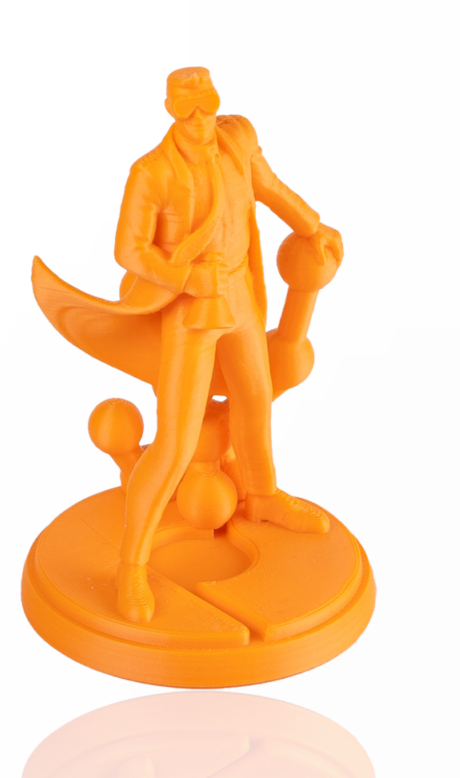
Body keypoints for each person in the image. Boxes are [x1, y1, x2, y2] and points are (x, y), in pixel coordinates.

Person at [111, 67, 344, 622]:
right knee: (174, 440)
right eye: (187, 110)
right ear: (171, 110)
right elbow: (129, 250)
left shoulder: (236, 139)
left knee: (255, 399)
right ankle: (131, 566)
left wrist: (313, 226)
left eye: (206, 107)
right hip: (191, 309)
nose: (199, 119)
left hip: (239, 293)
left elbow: (270, 187)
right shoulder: (152, 172)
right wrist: (187, 278)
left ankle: (262, 496)